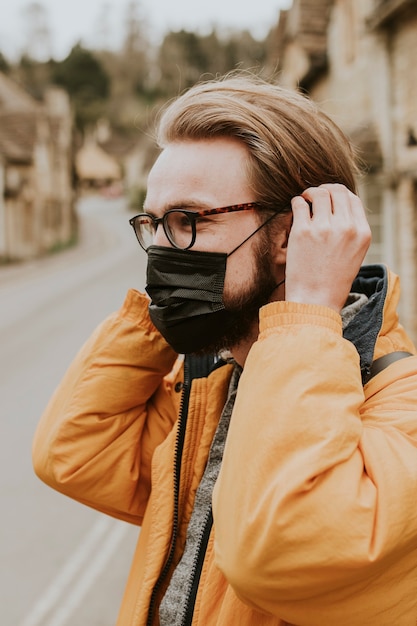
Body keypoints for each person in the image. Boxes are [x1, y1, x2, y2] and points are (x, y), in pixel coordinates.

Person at [32, 72, 417, 626]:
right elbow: (75, 452)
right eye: (154, 224)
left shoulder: (397, 408)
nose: (162, 250)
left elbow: (284, 552)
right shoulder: (216, 381)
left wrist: (308, 309)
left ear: (292, 235)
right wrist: (167, 319)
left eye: (189, 220)